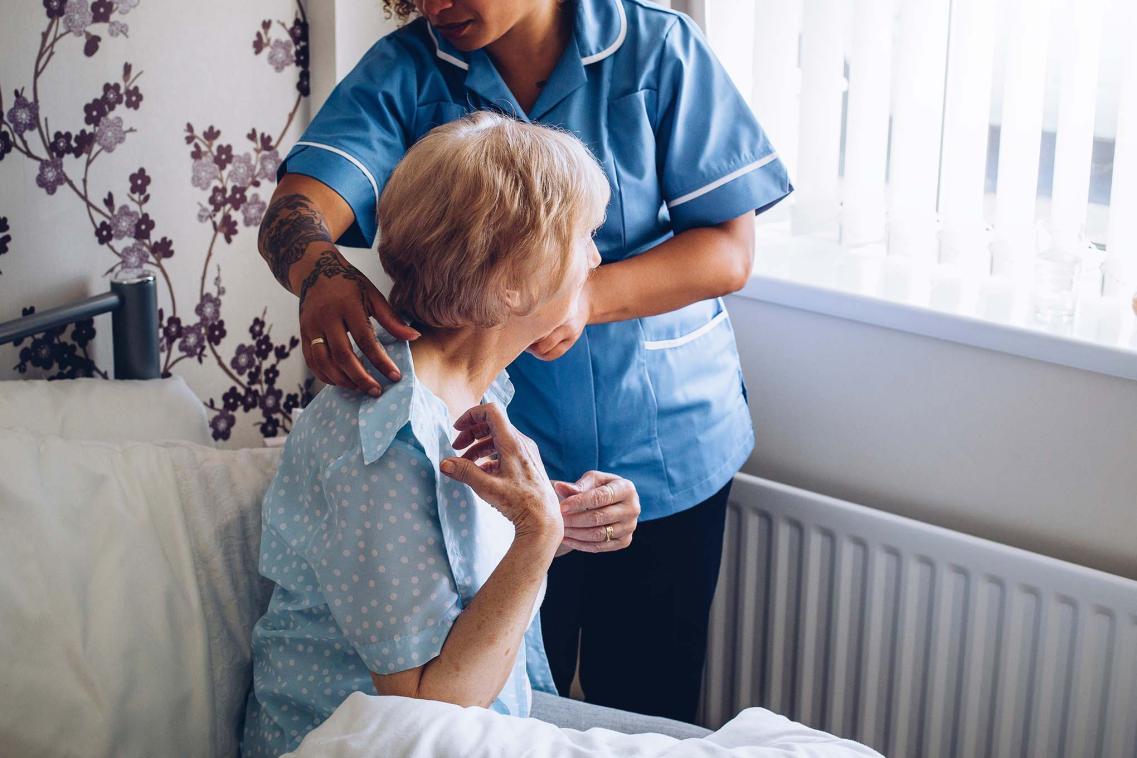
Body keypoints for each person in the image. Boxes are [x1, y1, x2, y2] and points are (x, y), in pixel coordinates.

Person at [257, 0, 792, 722]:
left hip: (662, 438)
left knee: (648, 703)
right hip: (502, 458)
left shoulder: (658, 48)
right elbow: (441, 697)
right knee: (509, 670)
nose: (433, 5)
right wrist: (317, 267)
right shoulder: (399, 444)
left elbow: (728, 249)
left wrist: (580, 294)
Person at [244, 113, 658, 757]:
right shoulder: (383, 445)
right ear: (511, 285)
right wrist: (537, 536)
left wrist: (559, 517)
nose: (598, 259)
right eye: (585, 239)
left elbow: (450, 561)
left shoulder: (470, 387)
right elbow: (422, 711)